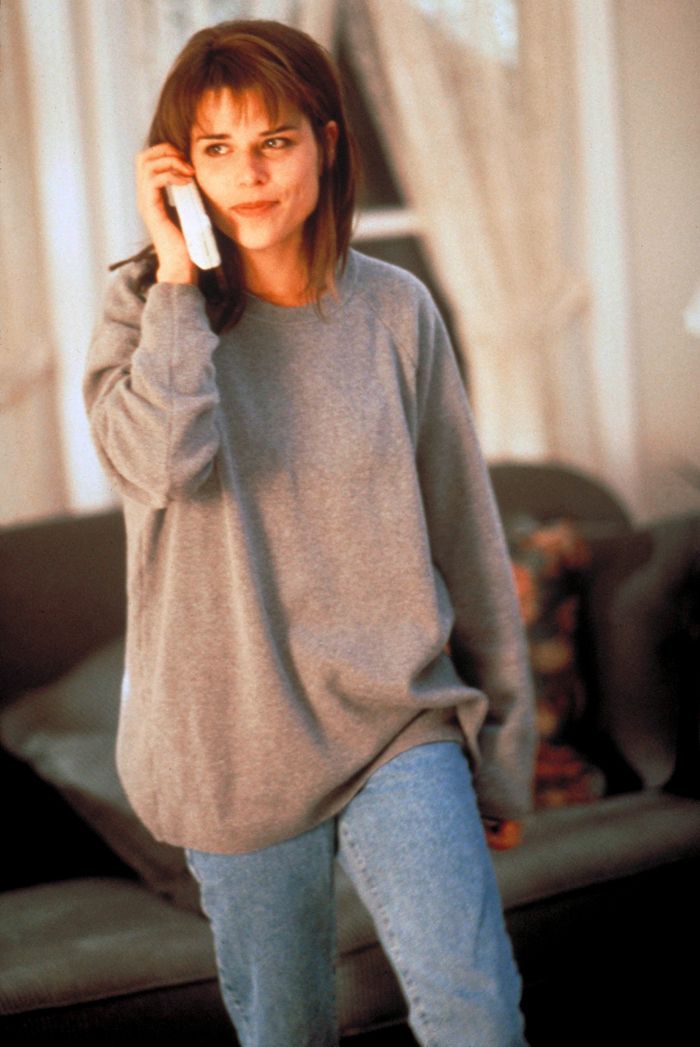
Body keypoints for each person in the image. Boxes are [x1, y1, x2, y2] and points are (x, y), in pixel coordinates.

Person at [84, 19, 536, 1047]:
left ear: (326, 142)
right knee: (285, 1031)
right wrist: (178, 280)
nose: (248, 176)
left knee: (479, 1016)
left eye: (273, 142)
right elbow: (159, 467)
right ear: (178, 168)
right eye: (215, 150)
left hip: (395, 722)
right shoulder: (142, 311)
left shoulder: (396, 312)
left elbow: (465, 534)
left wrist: (501, 751)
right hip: (229, 745)